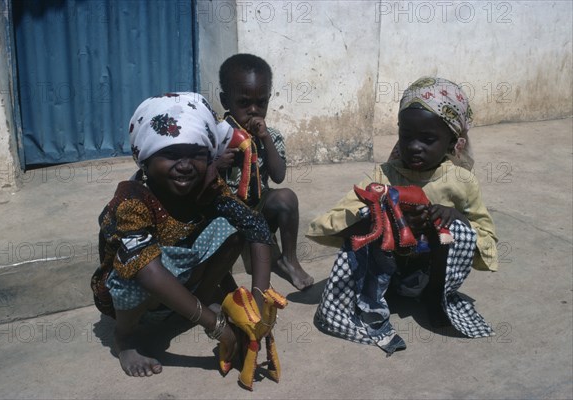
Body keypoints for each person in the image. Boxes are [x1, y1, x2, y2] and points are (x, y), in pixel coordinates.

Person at [306, 77, 498, 355]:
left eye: (428, 139)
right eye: (406, 136)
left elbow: (488, 241)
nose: (414, 146)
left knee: (456, 231)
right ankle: (373, 300)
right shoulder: (385, 175)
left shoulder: (462, 181)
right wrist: (384, 216)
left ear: (452, 142)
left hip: (431, 272)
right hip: (389, 273)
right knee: (369, 216)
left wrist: (455, 218)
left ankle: (435, 299)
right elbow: (327, 224)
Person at [91, 92, 273, 377]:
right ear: (145, 160)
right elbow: (148, 271)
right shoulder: (132, 199)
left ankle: (194, 302)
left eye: (197, 154)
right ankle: (125, 339)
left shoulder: (207, 186)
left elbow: (256, 227)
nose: (186, 164)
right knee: (131, 269)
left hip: (179, 273)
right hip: (136, 293)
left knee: (236, 227)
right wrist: (218, 327)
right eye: (171, 154)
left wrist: (258, 307)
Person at [215, 53, 314, 291]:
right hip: (223, 210)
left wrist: (265, 139)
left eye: (261, 103)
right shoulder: (216, 135)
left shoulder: (270, 136)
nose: (253, 110)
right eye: (244, 103)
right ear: (225, 100)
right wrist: (217, 164)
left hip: (258, 205)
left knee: (286, 198)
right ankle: (219, 275)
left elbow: (278, 175)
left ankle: (289, 259)